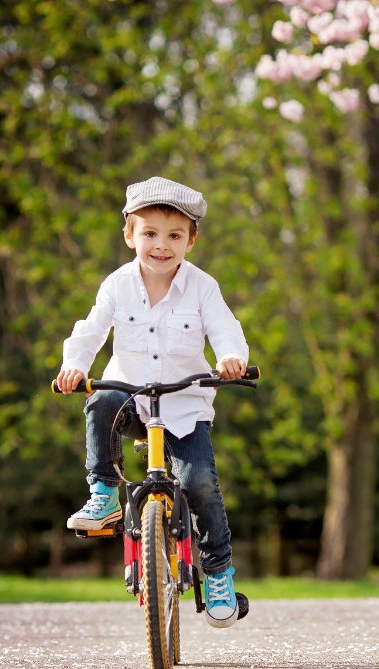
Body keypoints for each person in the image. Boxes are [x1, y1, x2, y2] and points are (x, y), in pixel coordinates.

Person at [54, 176, 249, 628]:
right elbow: (91, 329)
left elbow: (224, 327)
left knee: (200, 481)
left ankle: (217, 570)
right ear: (129, 235)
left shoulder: (202, 287)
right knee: (100, 400)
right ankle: (103, 493)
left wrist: (232, 358)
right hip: (131, 396)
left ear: (191, 240)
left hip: (183, 404)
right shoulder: (116, 285)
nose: (162, 246)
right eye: (150, 234)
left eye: (174, 236)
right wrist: (75, 366)